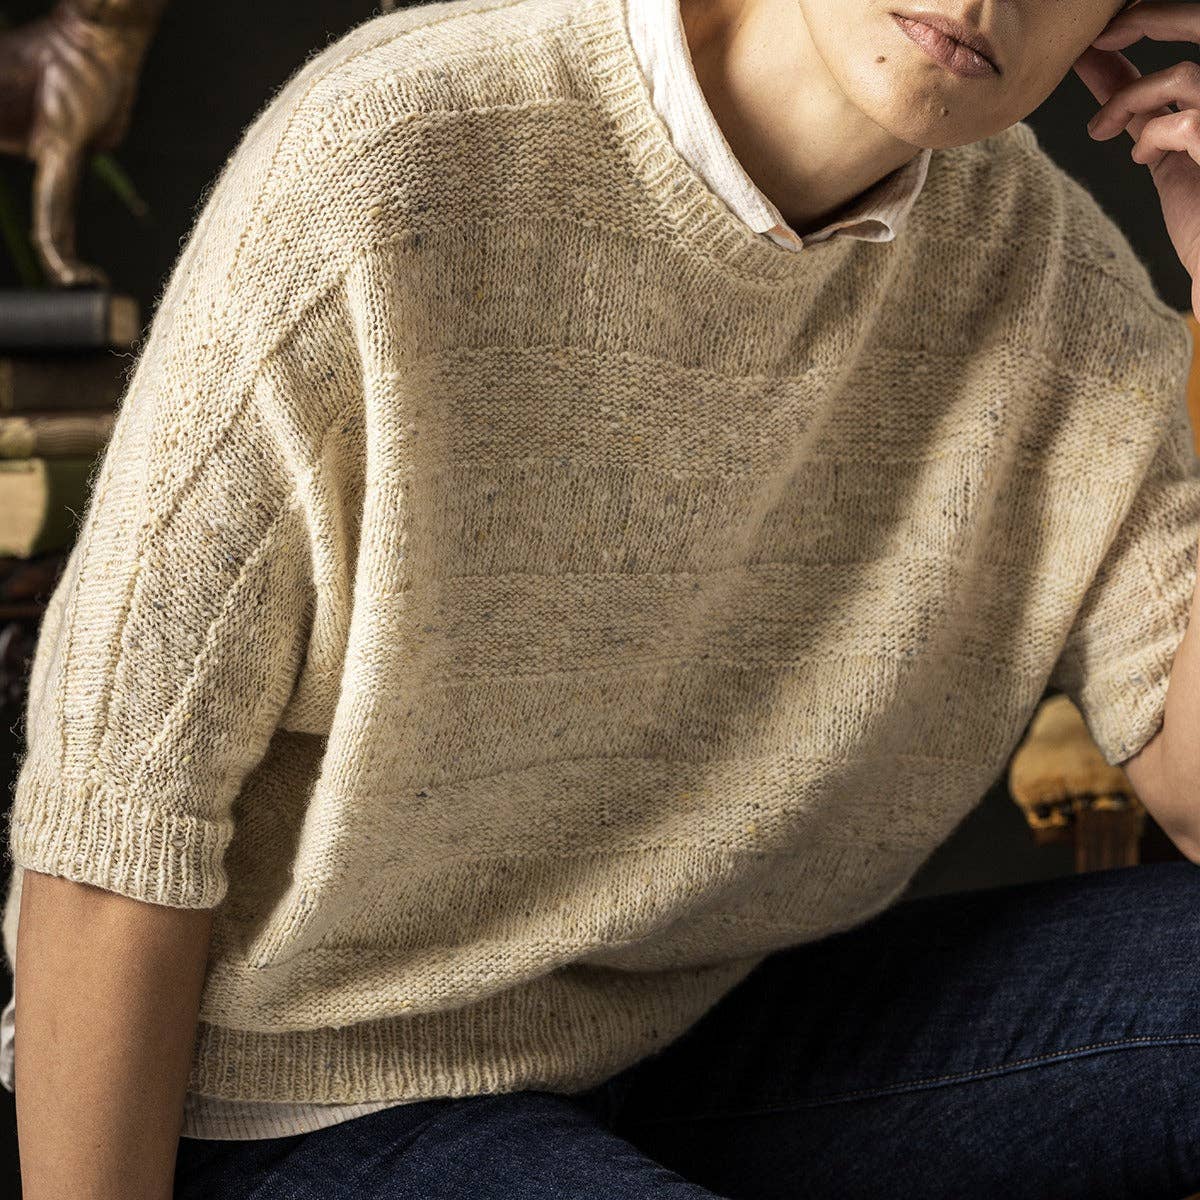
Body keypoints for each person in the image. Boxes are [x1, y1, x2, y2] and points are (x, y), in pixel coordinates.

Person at [3, 0, 1200, 1195]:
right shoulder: (392, 156)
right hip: (309, 1086)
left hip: (704, 1027)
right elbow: (112, 834)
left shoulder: (1046, 275)